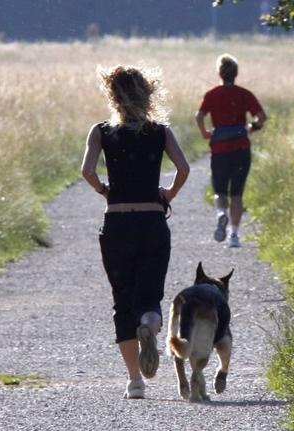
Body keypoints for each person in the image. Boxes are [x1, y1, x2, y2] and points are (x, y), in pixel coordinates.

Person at [81, 65, 190, 399]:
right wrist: (167, 194)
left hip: (117, 223)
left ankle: (135, 382)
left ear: (112, 95)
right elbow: (183, 169)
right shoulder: (160, 132)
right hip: (152, 222)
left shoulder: (100, 131)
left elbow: (86, 171)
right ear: (148, 94)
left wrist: (104, 190)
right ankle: (150, 321)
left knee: (121, 301)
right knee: (149, 295)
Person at [195, 54, 266, 248]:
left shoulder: (211, 95)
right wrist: (251, 128)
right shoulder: (244, 94)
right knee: (237, 194)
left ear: (219, 73)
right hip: (241, 148)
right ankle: (233, 235)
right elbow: (261, 116)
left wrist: (205, 133)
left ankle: (221, 214)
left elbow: (199, 116)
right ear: (236, 73)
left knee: (219, 190)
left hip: (219, 149)